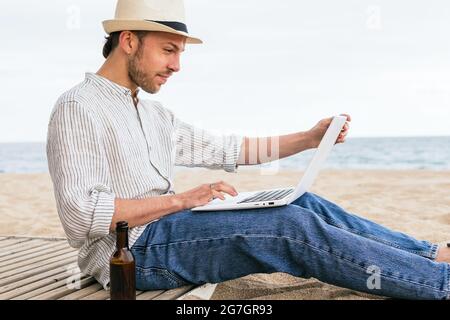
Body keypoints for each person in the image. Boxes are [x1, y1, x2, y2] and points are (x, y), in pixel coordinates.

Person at [46, 0, 450, 299]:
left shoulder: (153, 114)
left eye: (180, 54)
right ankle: (439, 286)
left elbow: (229, 148)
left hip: (170, 230)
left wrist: (307, 138)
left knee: (302, 201)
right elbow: (82, 215)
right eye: (168, 50)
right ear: (129, 41)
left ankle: (433, 255)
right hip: (134, 254)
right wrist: (184, 200)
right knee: (286, 226)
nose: (176, 66)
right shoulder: (79, 107)